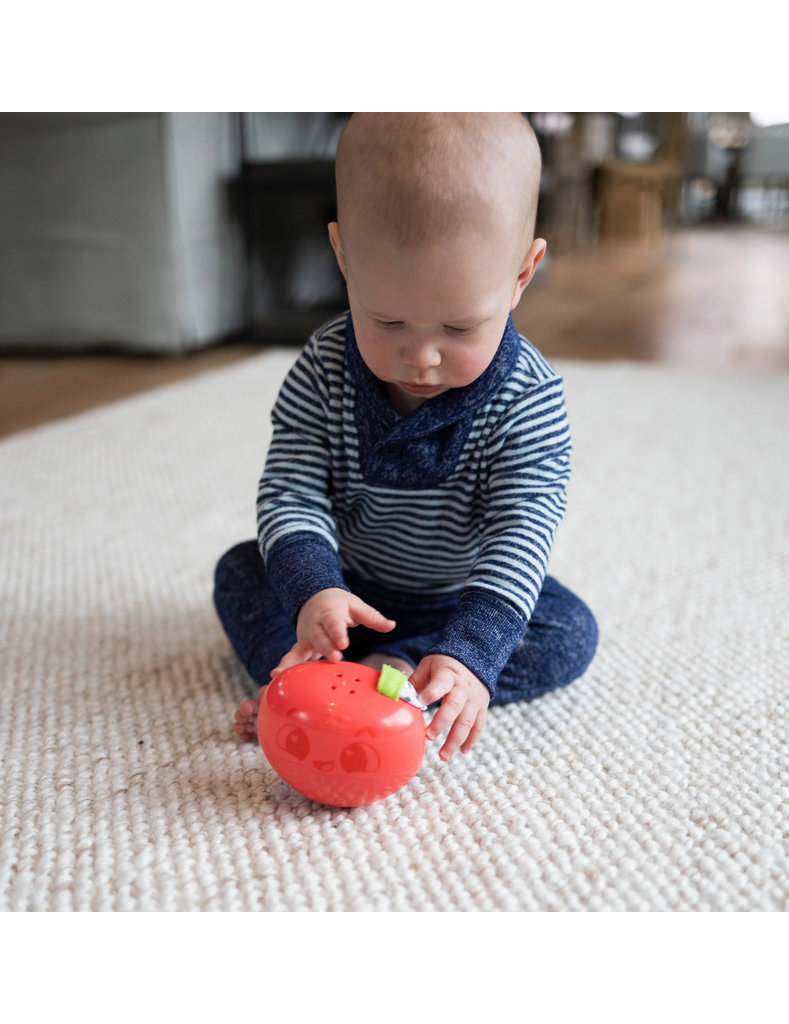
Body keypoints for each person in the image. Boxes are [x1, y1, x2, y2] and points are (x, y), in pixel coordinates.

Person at [214, 113, 598, 763]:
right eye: (386, 319)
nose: (421, 357)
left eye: (459, 326)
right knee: (242, 571)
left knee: (567, 633)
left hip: (455, 600)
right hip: (347, 588)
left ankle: (415, 672)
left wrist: (472, 651)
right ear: (344, 259)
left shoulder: (528, 399)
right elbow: (291, 489)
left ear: (521, 276)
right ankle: (310, 677)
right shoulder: (322, 366)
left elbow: (520, 534)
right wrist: (315, 590)